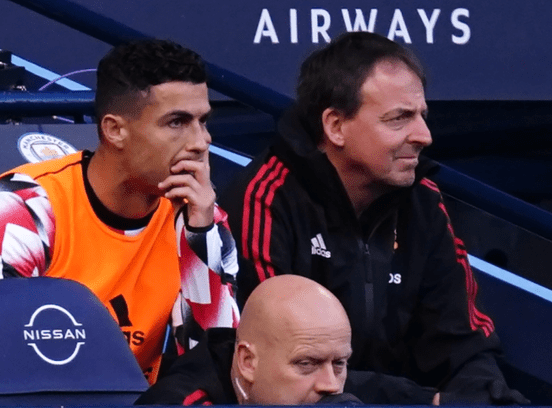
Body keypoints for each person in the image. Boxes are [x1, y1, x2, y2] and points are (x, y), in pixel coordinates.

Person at [0, 39, 240, 406]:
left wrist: (201, 236)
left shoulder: (198, 216)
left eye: (203, 122)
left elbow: (210, 372)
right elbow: (5, 372)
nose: (201, 142)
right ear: (114, 130)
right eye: (177, 122)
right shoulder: (19, 209)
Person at [219, 31, 526, 404]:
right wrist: (426, 401)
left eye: (422, 116)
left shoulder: (423, 200)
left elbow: (463, 341)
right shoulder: (264, 198)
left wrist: (481, 393)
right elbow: (282, 366)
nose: (424, 135)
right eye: (399, 118)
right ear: (335, 126)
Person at [136, 274, 359, 405]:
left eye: (339, 363)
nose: (331, 385)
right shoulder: (177, 401)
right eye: (306, 363)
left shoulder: (334, 390)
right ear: (248, 362)